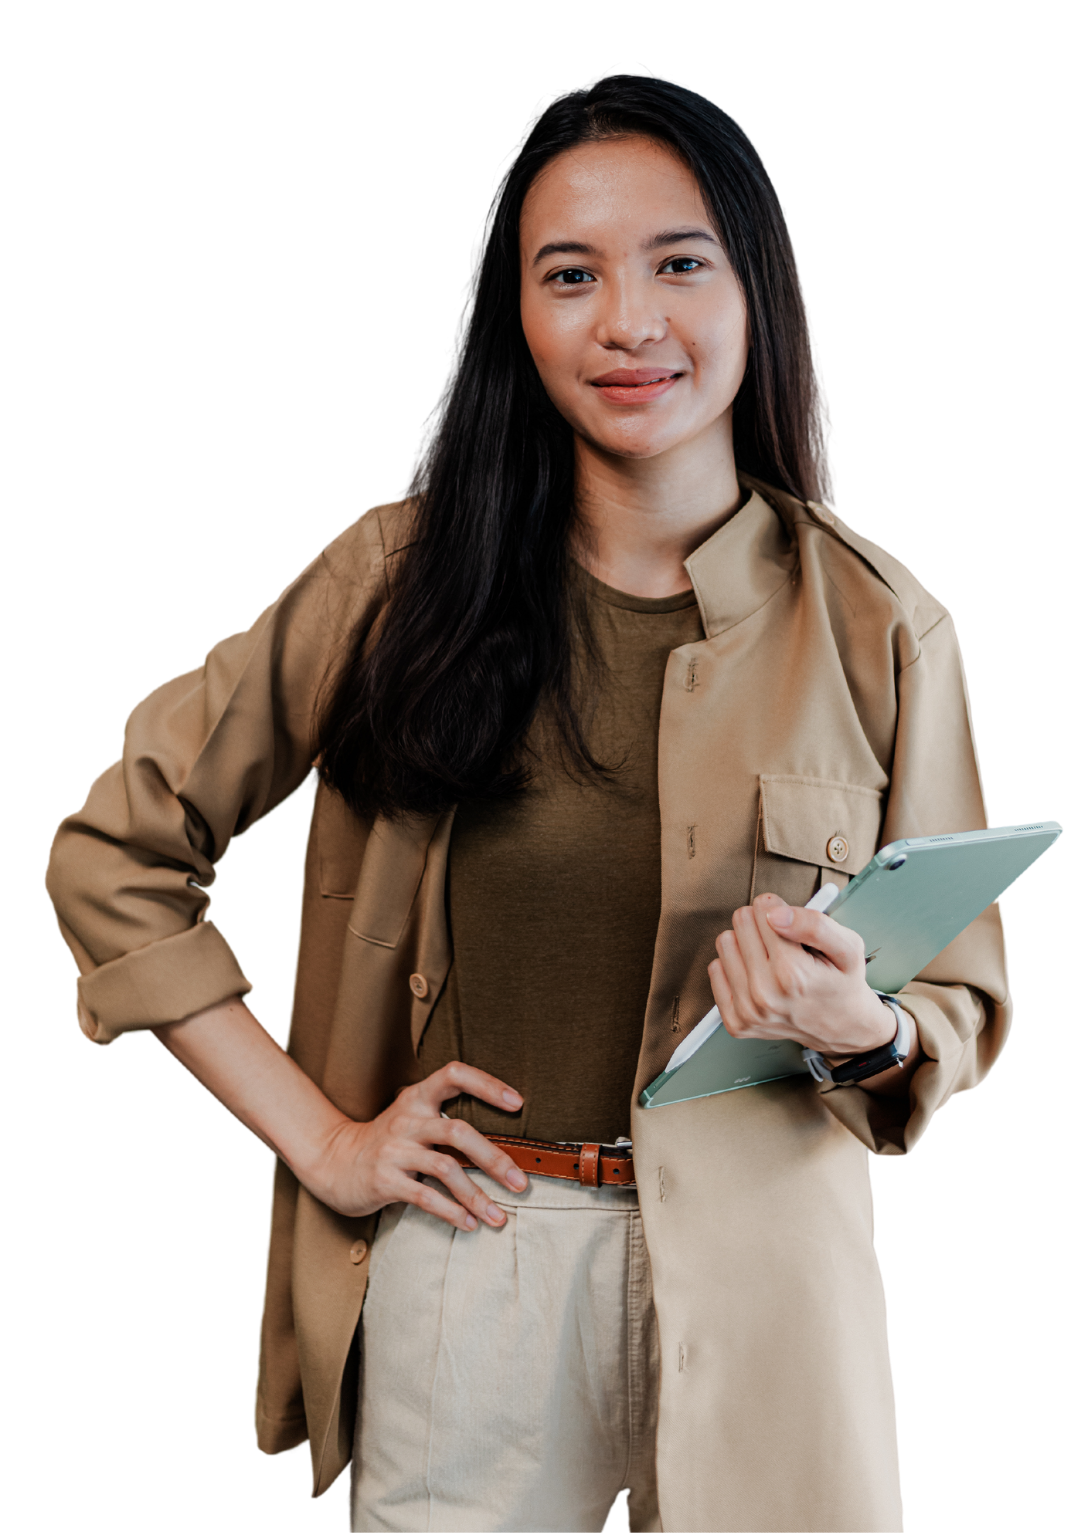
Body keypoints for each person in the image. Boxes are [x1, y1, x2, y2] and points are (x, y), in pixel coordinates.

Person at [46, 75, 1011, 1534]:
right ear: (517, 317)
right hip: (476, 1259)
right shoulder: (392, 579)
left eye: (679, 262)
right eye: (572, 275)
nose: (630, 321)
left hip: (771, 1293)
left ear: (755, 289)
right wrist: (327, 1141)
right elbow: (114, 856)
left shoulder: (880, 625)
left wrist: (859, 1027)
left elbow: (955, 1003)